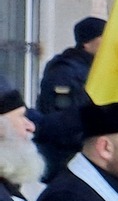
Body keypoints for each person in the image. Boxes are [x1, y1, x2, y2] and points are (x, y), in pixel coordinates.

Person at [31, 15, 104, 177]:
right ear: (87, 42)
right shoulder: (64, 72)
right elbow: (63, 121)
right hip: (67, 160)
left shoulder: (95, 69)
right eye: (104, 38)